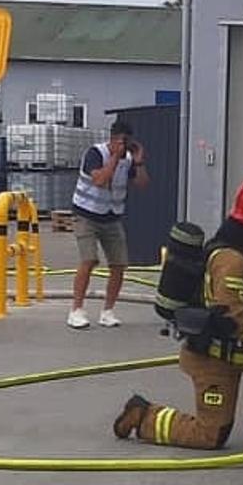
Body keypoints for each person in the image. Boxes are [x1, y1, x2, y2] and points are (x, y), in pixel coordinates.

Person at [112, 177, 243, 449]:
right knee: (210, 436)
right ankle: (143, 415)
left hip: (237, 348)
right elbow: (230, 318)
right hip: (214, 358)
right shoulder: (232, 260)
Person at [67, 119, 148, 329]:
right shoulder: (95, 154)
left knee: (119, 264)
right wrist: (114, 157)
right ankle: (76, 310)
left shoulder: (129, 159)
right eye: (122, 141)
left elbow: (142, 184)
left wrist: (138, 162)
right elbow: (100, 180)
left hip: (111, 216)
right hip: (86, 215)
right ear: (113, 139)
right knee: (89, 260)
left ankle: (108, 311)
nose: (125, 147)